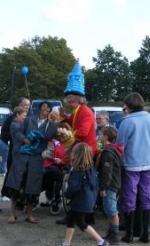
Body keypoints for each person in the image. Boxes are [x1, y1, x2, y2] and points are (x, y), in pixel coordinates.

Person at [56, 60, 97, 225]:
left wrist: (68, 135)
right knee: (77, 184)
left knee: (81, 184)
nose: (69, 97)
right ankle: (76, 215)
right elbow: (71, 122)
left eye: (72, 95)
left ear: (79, 97)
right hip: (79, 151)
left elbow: (83, 132)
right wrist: (63, 117)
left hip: (85, 153)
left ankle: (85, 215)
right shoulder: (77, 110)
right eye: (68, 95)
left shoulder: (85, 111)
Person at [117, 92, 150, 244]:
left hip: (132, 164)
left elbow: (120, 145)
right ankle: (146, 234)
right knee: (147, 197)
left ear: (128, 105)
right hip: (149, 163)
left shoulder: (127, 121)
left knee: (130, 197)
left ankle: (129, 234)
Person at [6, 101, 57, 223]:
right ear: (39, 109)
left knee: (33, 187)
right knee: (16, 185)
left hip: (36, 158)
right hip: (22, 156)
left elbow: (48, 137)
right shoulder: (28, 119)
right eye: (43, 108)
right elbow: (17, 131)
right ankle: (12, 214)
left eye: (48, 108)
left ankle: (30, 214)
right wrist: (23, 139)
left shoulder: (52, 124)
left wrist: (52, 123)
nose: (46, 110)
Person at [54, 143, 109, 246]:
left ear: (76, 155)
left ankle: (101, 241)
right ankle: (66, 242)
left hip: (80, 200)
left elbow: (73, 187)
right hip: (87, 200)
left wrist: (67, 193)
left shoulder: (77, 171)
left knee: (81, 222)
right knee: (71, 218)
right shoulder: (91, 169)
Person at [0, 97, 31, 202]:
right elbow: (3, 133)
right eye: (25, 104)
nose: (27, 107)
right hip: (14, 148)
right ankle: (5, 193)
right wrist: (15, 136)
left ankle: (20, 194)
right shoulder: (11, 119)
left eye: (28, 105)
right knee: (11, 170)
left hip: (25, 150)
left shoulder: (28, 118)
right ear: (20, 105)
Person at [96, 127, 123, 245]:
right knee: (109, 208)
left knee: (111, 209)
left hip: (110, 185)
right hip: (114, 184)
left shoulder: (108, 152)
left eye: (101, 134)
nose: (100, 136)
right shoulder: (114, 150)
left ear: (106, 137)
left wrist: (103, 187)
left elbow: (107, 172)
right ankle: (111, 232)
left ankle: (115, 235)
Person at [7, 106, 27, 223]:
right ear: (18, 114)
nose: (25, 117)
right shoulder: (15, 125)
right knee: (15, 186)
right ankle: (12, 213)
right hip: (18, 157)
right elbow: (21, 137)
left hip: (24, 158)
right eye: (24, 115)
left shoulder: (21, 124)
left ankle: (20, 211)